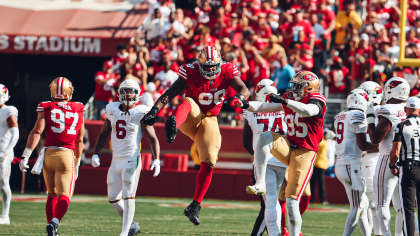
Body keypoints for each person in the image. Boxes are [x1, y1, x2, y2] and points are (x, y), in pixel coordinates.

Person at [141, 46, 250, 226]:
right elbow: (170, 93)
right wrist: (154, 110)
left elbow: (244, 89)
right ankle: (173, 122)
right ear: (199, 64)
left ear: (219, 63)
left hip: (210, 120)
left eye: (212, 66)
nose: (209, 70)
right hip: (190, 116)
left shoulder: (227, 69)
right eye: (205, 67)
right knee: (189, 101)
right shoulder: (190, 71)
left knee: (209, 161)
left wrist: (239, 97)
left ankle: (195, 205)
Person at [238, 71, 327, 236]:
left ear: (309, 88)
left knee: (292, 202)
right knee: (265, 137)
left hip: (305, 152)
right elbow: (263, 107)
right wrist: (244, 105)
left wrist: (285, 101)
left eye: (298, 86)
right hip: (289, 146)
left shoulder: (317, 99)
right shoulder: (290, 97)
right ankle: (261, 182)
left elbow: (308, 111)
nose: (293, 89)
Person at [91, 79, 161, 236]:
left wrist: (156, 159)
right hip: (115, 159)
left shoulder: (141, 111)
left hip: (132, 158)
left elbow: (152, 138)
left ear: (137, 94)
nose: (128, 95)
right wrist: (96, 152)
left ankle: (124, 232)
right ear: (120, 93)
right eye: (126, 91)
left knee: (128, 194)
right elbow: (104, 133)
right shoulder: (112, 109)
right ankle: (132, 225)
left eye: (132, 91)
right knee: (112, 197)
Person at [19, 77, 85, 236]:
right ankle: (54, 223)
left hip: (48, 154)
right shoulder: (78, 107)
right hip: (66, 155)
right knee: (65, 194)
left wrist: (25, 156)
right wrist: (76, 163)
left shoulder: (46, 106)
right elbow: (80, 140)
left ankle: (52, 229)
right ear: (70, 91)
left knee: (51, 193)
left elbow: (37, 132)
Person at [243, 80, 287, 236]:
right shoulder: (285, 108)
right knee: (278, 203)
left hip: (263, 163)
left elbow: (245, 141)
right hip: (284, 160)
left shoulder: (250, 110)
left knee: (270, 204)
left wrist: (257, 157)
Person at [367, 77, 409, 236]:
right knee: (402, 206)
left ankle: (386, 234)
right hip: (407, 159)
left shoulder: (388, 109)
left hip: (388, 158)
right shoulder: (409, 108)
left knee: (382, 204)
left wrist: (371, 118)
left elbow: (375, 138)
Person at [334, 88, 379, 236]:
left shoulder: (341, 116)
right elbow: (363, 145)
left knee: (362, 203)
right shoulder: (358, 115)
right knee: (358, 206)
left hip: (341, 164)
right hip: (350, 165)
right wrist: (383, 146)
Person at [389, 97, 420, 236]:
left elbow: (395, 151)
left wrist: (392, 165)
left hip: (409, 168)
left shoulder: (402, 125)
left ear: (405, 109)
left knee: (408, 209)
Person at [359, 81, 383, 236]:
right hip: (366, 157)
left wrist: (363, 147)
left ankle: (377, 233)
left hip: (372, 157)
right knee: (366, 202)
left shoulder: (377, 111)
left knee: (371, 201)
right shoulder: (366, 110)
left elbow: (381, 141)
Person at [0, 85, 18, 225]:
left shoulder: (8, 110)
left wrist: (6, 151)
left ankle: (5, 216)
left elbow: (15, 134)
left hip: (2, 153)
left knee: (3, 183)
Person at [310, 130, 328, 205]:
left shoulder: (320, 142)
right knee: (319, 183)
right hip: (320, 164)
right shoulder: (323, 142)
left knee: (314, 183)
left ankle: (313, 199)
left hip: (318, 164)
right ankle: (322, 199)